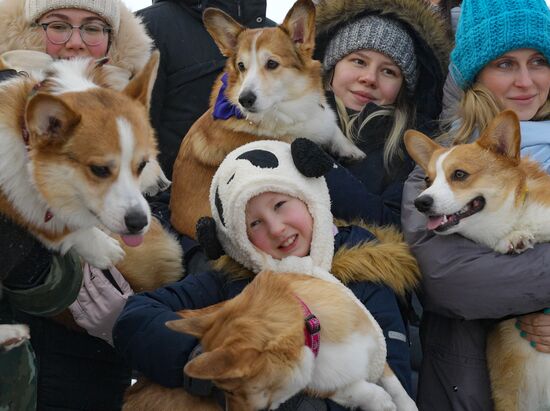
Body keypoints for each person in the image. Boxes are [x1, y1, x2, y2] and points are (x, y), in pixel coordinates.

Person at [113, 139, 420, 410]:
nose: (276, 228)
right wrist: (214, 359)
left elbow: (390, 381)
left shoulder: (368, 278)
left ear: (311, 199)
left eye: (281, 205)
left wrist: (298, 400)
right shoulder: (233, 280)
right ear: (238, 240)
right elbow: (135, 319)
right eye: (254, 224)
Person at [0, 0, 153, 409]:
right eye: (58, 25)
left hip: (95, 352)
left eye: (93, 28)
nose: (75, 43)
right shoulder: (19, 108)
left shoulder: (129, 114)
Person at [401, 0, 550, 409]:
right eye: (504, 64)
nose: (525, 81)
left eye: (538, 61)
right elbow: (452, 281)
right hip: (469, 392)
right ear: (475, 75)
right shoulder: (436, 172)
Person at [313, 0, 452, 227]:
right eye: (358, 61)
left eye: (388, 71)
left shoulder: (414, 147)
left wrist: (324, 168)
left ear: (402, 89)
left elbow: (395, 224)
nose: (369, 78)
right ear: (331, 67)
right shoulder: (280, 121)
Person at [136, 0, 272, 178]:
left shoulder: (279, 36)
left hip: (270, 196)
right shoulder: (148, 27)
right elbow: (133, 135)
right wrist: (159, 201)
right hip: (178, 198)